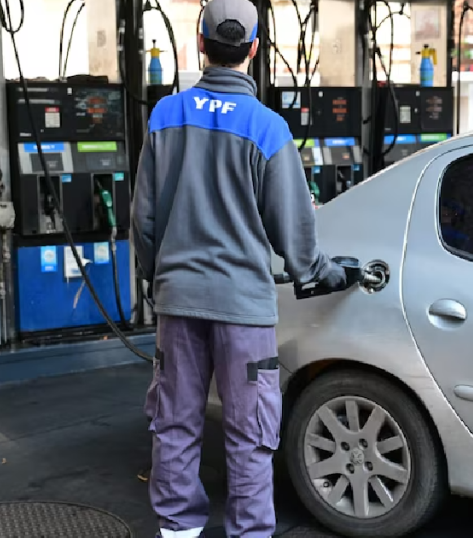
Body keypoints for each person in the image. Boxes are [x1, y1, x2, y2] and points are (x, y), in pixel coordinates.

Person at [129, 0, 348, 534]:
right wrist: (320, 271)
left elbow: (142, 217)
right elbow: (293, 229)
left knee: (174, 422)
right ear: (253, 49)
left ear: (201, 44)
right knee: (250, 431)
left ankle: (177, 529)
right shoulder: (268, 128)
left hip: (179, 303)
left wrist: (161, 278)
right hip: (244, 310)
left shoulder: (165, 116)